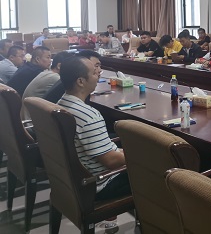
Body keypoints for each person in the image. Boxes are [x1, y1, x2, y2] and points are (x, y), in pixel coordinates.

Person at [56, 55, 131, 233]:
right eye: (94, 72)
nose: (98, 74)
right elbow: (111, 162)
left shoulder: (61, 103)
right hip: (100, 183)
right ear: (81, 81)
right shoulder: (88, 116)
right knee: (160, 169)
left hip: (73, 180)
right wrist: (140, 156)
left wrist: (122, 151)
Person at [22, 51, 71, 119]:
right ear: (59, 66)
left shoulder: (46, 72)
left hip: (27, 116)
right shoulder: (56, 78)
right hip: (32, 120)